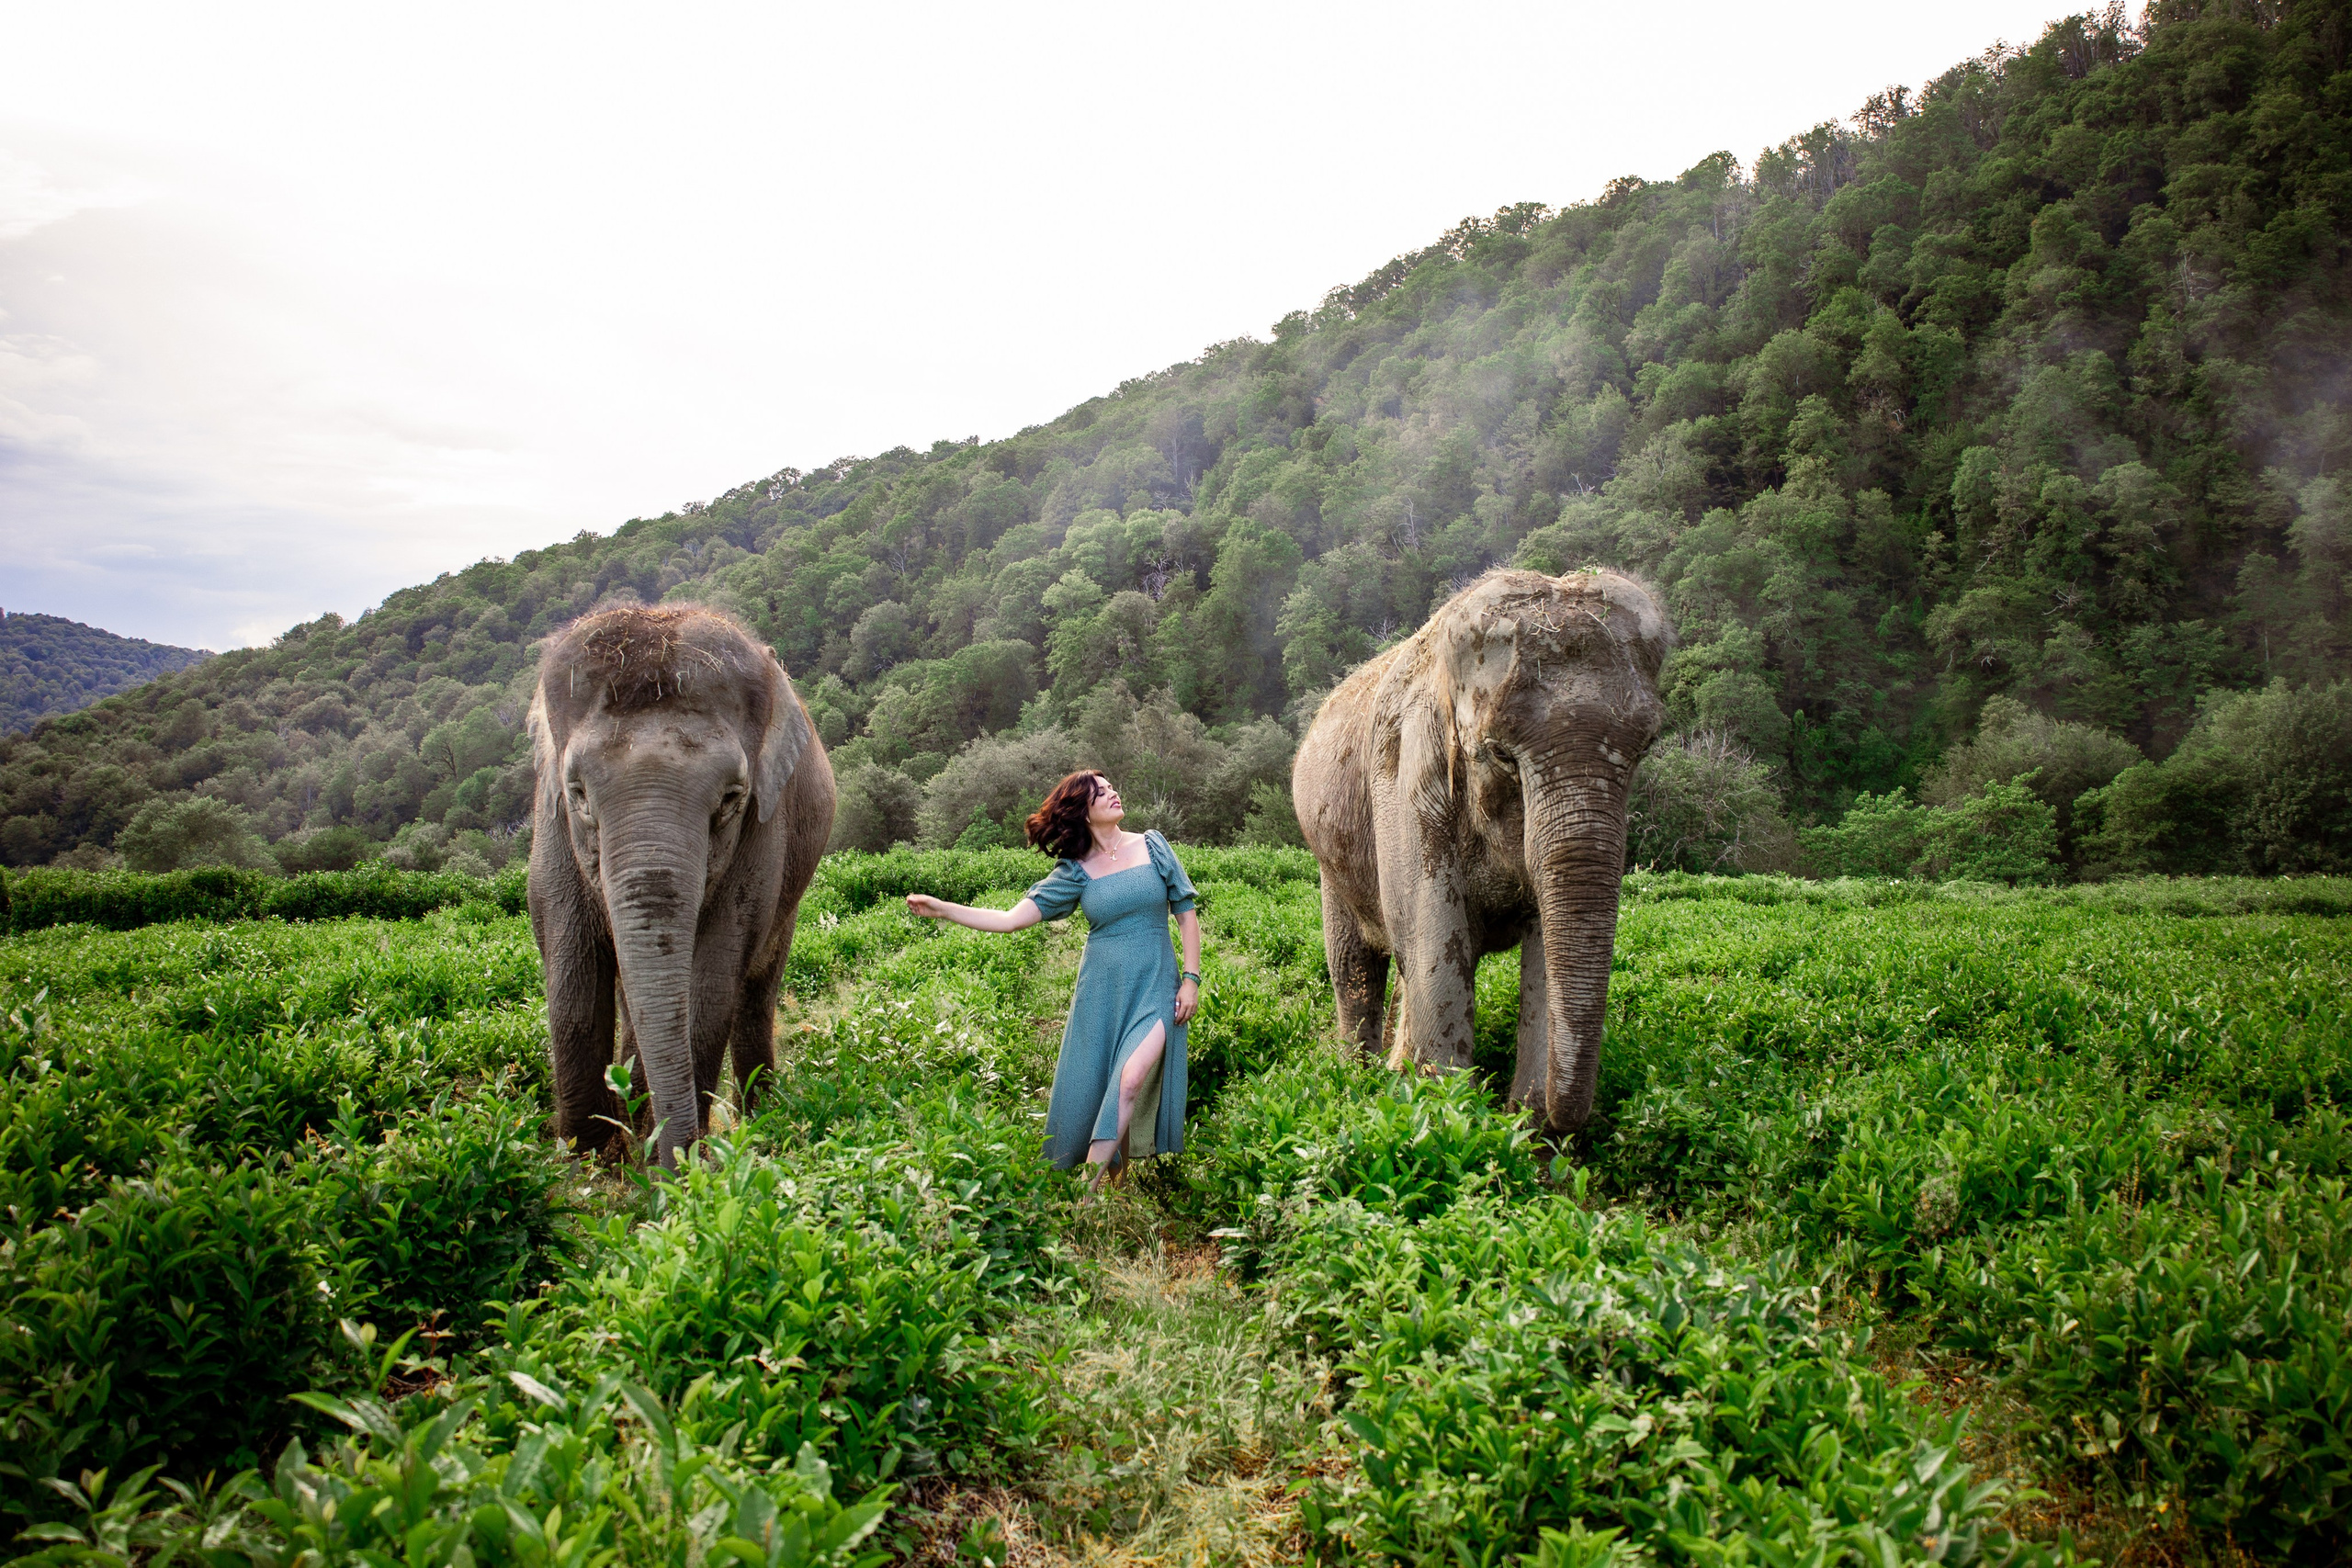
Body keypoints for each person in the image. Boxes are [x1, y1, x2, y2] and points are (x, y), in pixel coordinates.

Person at [906, 771, 1201, 1192]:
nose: (1113, 793)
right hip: (1101, 992)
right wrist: (944, 909)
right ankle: (1110, 1190)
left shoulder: (1152, 845)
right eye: (1100, 792)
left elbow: (1186, 914)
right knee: (1105, 1082)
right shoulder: (1075, 871)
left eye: (1111, 786)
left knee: (1131, 1078)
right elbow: (1011, 920)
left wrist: (1190, 979)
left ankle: (1086, 1197)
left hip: (1155, 984)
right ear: (1082, 811)